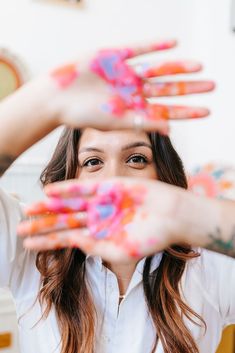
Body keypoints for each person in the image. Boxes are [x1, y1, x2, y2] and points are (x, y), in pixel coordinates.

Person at [2, 41, 233, 353]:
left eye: (137, 159)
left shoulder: (209, 268)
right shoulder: (33, 248)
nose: (114, 181)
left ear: (162, 173)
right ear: (71, 177)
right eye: (93, 162)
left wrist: (187, 215)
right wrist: (48, 101)